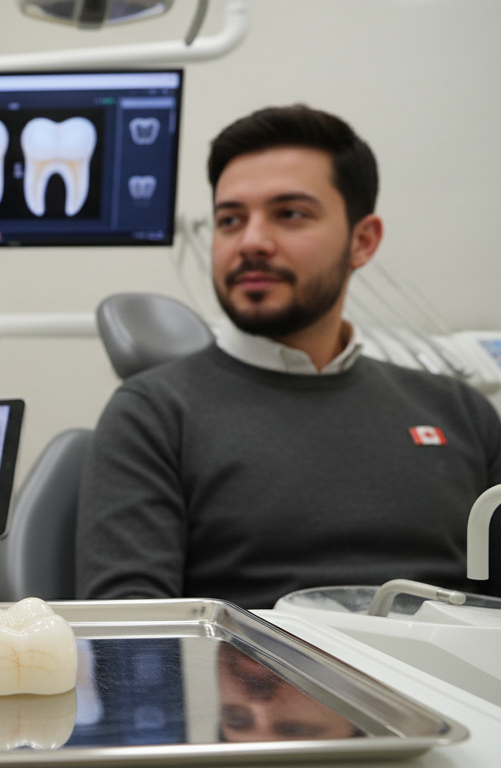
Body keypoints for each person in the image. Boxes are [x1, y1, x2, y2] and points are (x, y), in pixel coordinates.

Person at [75, 104, 501, 609]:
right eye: (230, 220)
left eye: (290, 214)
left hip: (447, 684)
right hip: (250, 684)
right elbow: (134, 634)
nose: (251, 241)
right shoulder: (154, 412)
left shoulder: (459, 411)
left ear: (362, 241)